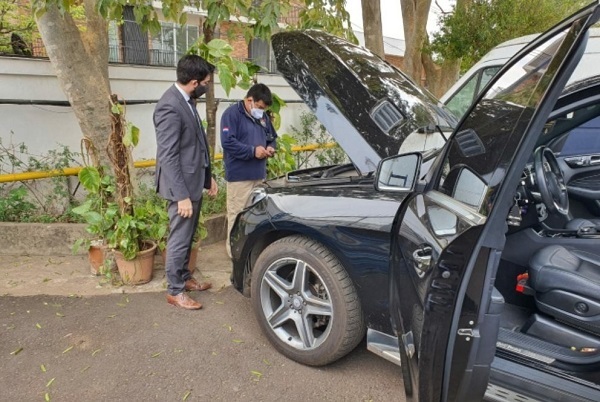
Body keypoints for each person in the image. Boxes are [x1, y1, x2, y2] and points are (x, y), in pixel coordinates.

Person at [154, 54, 218, 310]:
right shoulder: (169, 106)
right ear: (194, 82)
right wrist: (181, 195)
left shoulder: (187, 101)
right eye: (206, 82)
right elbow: (168, 156)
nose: (207, 86)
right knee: (179, 238)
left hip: (193, 181)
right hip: (180, 188)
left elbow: (197, 144)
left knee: (188, 235)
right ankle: (175, 291)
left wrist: (207, 177)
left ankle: (184, 278)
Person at [220, 83, 278, 258]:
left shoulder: (263, 118)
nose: (261, 111)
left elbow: (271, 137)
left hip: (258, 175)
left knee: (256, 215)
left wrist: (270, 148)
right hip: (239, 176)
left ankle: (250, 250)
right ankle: (234, 254)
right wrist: (252, 151)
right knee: (237, 214)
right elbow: (228, 143)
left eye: (264, 109)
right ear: (249, 100)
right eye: (259, 107)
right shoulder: (232, 114)